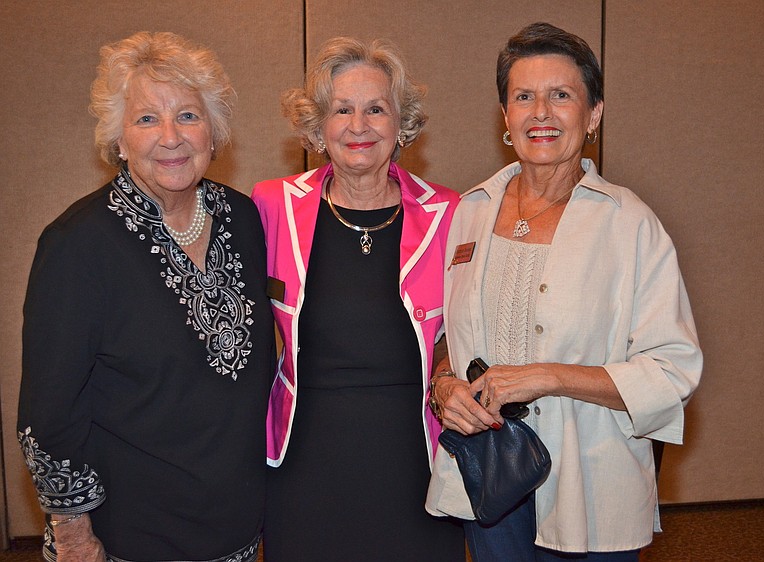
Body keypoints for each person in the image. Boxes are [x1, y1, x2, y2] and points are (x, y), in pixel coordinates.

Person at [426, 22, 703, 561]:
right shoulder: (471, 211)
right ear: (505, 116)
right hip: (490, 473)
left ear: (593, 114)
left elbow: (673, 370)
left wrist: (548, 376)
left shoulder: (629, 224)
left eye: (562, 96)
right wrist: (442, 384)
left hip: (590, 481)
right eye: (523, 96)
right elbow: (445, 331)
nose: (541, 113)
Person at [17, 32, 274, 562]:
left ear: (214, 131)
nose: (171, 137)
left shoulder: (245, 219)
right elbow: (48, 413)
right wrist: (72, 532)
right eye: (146, 119)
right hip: (126, 537)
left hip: (237, 526)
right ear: (118, 139)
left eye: (187, 115)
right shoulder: (76, 246)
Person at [252, 36, 465, 561]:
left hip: (413, 452)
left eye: (376, 109)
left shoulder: (449, 212)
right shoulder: (272, 205)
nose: (359, 125)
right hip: (305, 452)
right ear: (317, 127)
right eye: (341, 110)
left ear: (401, 124)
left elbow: (463, 331)